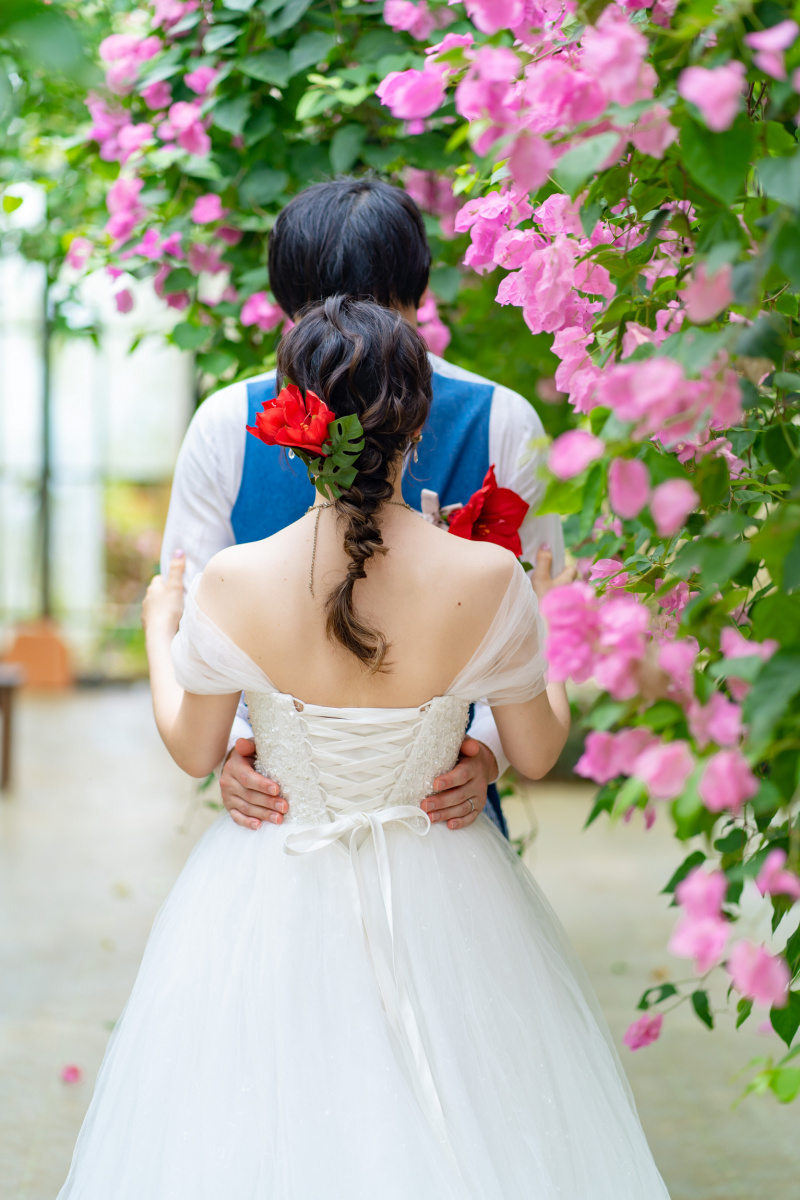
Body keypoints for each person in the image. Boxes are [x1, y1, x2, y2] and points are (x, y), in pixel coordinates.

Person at [59, 298, 669, 1199]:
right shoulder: (489, 576)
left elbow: (194, 747)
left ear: (293, 428)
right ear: (418, 424)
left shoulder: (234, 578)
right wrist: (543, 631)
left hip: (266, 879)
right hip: (447, 881)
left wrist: (160, 623)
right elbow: (537, 749)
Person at [160, 176, 566, 839]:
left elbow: (537, 619)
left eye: (376, 308)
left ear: (417, 296)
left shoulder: (503, 421)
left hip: (442, 805)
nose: (352, 332)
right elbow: (194, 613)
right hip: (278, 802)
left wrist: (488, 752)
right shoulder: (225, 425)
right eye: (323, 310)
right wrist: (235, 749)